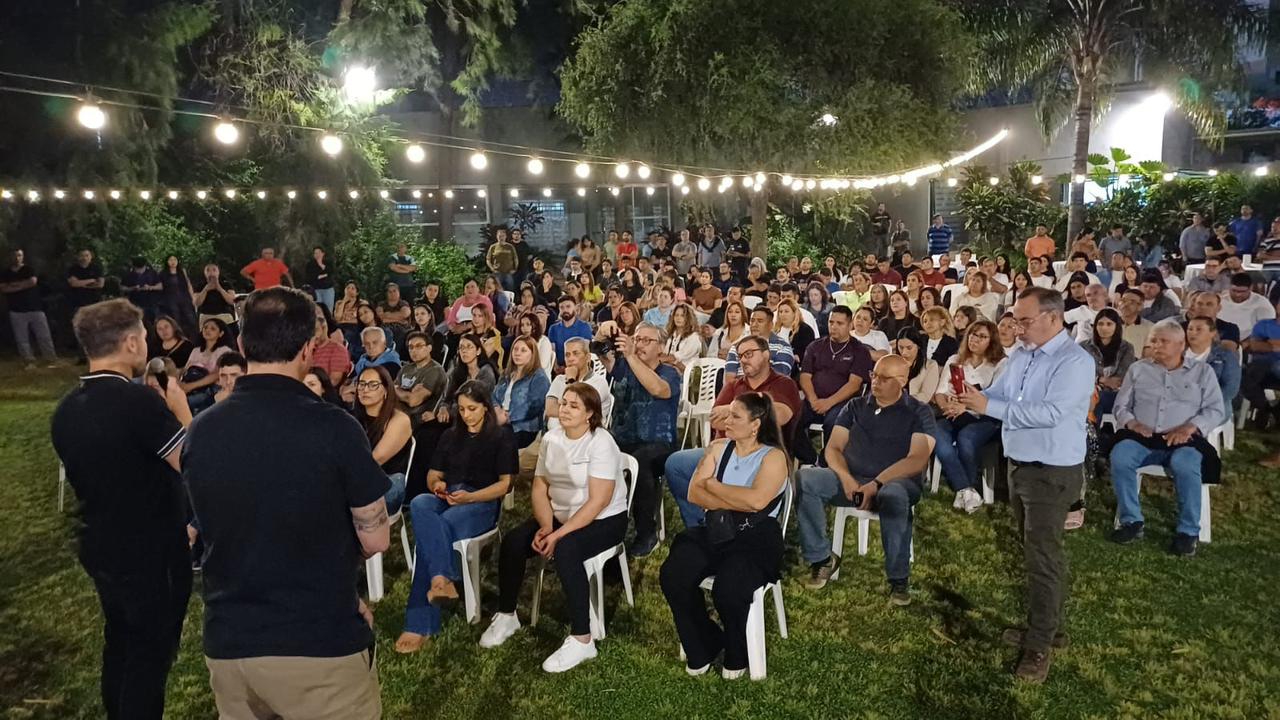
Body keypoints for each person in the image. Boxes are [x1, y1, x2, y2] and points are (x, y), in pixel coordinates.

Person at [182, 287, 390, 719]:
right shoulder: (336, 428)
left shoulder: (202, 430)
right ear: (309, 349)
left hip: (231, 642)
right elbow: (376, 538)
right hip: (318, 644)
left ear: (241, 345)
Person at [50, 298, 193, 719]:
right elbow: (193, 462)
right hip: (151, 550)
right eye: (145, 336)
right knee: (149, 657)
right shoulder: (137, 403)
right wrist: (181, 411)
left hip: (101, 544)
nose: (147, 344)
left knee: (121, 645)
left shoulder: (67, 409)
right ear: (131, 342)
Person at [951, 287, 1094, 683]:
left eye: (1025, 321)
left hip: (1051, 470)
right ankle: (1046, 626)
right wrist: (972, 399)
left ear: (1053, 318)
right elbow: (1002, 394)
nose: (1017, 328)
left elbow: (1050, 413)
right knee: (1038, 551)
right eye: (1015, 320)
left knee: (1042, 556)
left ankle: (1040, 644)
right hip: (1020, 465)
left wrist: (989, 407)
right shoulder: (1022, 355)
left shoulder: (1074, 362)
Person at [479, 383, 629, 673]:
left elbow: (598, 501)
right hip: (559, 515)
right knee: (514, 541)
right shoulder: (551, 439)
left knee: (567, 549)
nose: (565, 409)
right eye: (564, 403)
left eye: (574, 405)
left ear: (590, 414)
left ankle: (583, 638)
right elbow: (540, 488)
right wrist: (547, 525)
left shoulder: (601, 442)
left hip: (604, 519)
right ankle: (507, 614)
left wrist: (558, 534)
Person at [659, 393, 790, 679]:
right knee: (673, 575)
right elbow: (694, 493)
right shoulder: (718, 448)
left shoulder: (773, 457)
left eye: (735, 416)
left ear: (755, 424)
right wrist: (734, 497)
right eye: (728, 414)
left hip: (756, 536)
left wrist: (714, 487)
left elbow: (757, 502)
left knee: (729, 589)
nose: (726, 420)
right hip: (717, 529)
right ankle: (703, 643)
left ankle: (737, 650)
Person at [797, 354, 935, 602]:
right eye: (874, 375)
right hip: (852, 479)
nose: (875, 382)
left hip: (896, 483)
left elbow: (917, 459)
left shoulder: (919, 412)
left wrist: (876, 483)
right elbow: (833, 448)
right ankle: (821, 558)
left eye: (884, 378)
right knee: (806, 479)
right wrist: (846, 478)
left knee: (893, 496)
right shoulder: (856, 406)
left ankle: (898, 579)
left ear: (902, 381)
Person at [396, 381, 517, 653]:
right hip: (449, 495)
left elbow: (505, 485)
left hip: (481, 501)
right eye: (461, 409)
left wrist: (470, 498)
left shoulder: (501, 437)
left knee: (434, 534)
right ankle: (443, 580)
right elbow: (433, 474)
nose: (466, 415)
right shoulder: (451, 436)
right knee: (420, 503)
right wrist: (437, 486)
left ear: (485, 407)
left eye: (472, 409)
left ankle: (420, 622)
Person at [1110, 319, 1225, 557]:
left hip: (1184, 438)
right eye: (1153, 340)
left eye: (1164, 341)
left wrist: (1190, 428)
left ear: (1181, 345)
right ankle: (1132, 521)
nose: (1156, 346)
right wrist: (1133, 423)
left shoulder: (1202, 372)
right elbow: (1121, 406)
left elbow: (1215, 410)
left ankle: (1188, 531)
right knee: (1120, 456)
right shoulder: (1138, 369)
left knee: (1186, 464)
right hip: (1143, 436)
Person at [665, 335, 802, 529]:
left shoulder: (784, 384)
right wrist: (741, 417)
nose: (743, 360)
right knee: (676, 464)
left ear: (766, 355)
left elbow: (779, 416)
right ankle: (701, 523)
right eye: (740, 356)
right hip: (724, 451)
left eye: (749, 354)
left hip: (761, 454)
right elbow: (716, 420)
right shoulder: (734, 385)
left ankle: (722, 513)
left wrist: (730, 409)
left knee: (735, 487)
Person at [606, 323, 682, 557]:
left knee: (641, 461)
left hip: (658, 443)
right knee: (594, 449)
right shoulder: (624, 367)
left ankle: (647, 532)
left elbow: (658, 390)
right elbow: (601, 354)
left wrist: (630, 356)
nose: (639, 344)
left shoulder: (669, 373)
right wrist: (603, 333)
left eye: (647, 340)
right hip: (622, 437)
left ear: (661, 347)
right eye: (637, 339)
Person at [931, 320, 1007, 512]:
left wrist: (964, 406)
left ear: (992, 341)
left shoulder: (1000, 364)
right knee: (937, 434)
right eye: (973, 334)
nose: (975, 339)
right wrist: (948, 407)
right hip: (953, 413)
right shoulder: (955, 359)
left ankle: (966, 488)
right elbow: (940, 393)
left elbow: (996, 396)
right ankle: (966, 489)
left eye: (982, 336)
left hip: (984, 417)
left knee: (966, 438)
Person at [493, 335, 552, 449]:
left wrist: (509, 417)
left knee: (499, 443)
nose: (517, 353)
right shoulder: (506, 373)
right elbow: (494, 396)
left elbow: (535, 406)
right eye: (515, 349)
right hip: (500, 420)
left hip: (524, 428)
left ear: (532, 354)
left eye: (523, 350)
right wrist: (496, 410)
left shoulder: (539, 377)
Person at [1080, 308, 1135, 420]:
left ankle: (1093, 429)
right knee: (1094, 398)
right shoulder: (1083, 347)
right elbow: (1080, 374)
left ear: (1117, 326)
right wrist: (1100, 380)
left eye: (1109, 324)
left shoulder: (1126, 348)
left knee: (1098, 398)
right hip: (1089, 392)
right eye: (1100, 324)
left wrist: (1098, 381)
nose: (1104, 328)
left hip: (1117, 394)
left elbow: (1120, 378)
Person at [546, 337, 613, 430]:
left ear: (587, 358)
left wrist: (571, 381)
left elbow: (581, 410)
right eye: (567, 355)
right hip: (558, 434)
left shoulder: (599, 383)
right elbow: (550, 409)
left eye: (576, 353)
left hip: (588, 435)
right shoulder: (559, 380)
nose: (570, 359)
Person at [1185, 316, 1241, 420]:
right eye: (1190, 329)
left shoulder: (1225, 356)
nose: (1193, 333)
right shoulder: (1177, 353)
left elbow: (1230, 388)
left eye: (1199, 329)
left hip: (1212, 404)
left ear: (1213, 333)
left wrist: (1203, 402)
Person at [722, 306, 795, 380]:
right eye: (752, 321)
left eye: (760, 321)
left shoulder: (783, 348)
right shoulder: (737, 347)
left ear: (770, 325)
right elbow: (729, 380)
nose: (754, 325)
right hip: (740, 387)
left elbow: (778, 380)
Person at [396, 331, 447, 424]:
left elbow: (413, 401)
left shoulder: (435, 371)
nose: (414, 350)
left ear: (429, 348)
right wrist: (406, 392)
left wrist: (398, 390)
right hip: (397, 413)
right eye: (411, 347)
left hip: (416, 419)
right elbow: (390, 391)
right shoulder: (406, 368)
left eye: (419, 346)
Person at [1220, 273, 1276, 339]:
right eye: (1234, 291)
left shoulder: (1262, 304)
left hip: (1251, 341)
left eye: (1242, 291)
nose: (1238, 295)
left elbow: (1267, 330)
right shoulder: (1220, 301)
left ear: (1250, 288)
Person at [896, 327, 943, 404]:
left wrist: (901, 401)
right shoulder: (893, 362)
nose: (904, 352)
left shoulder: (930, 365)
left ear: (918, 346)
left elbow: (925, 396)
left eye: (909, 348)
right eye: (901, 347)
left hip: (915, 406)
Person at [548, 296, 594, 370]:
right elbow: (552, 353)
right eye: (562, 307)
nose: (565, 310)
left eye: (568, 306)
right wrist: (556, 367)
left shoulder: (584, 327)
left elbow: (584, 352)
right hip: (559, 369)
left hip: (579, 368)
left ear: (575, 308)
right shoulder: (553, 328)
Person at [194, 263, 238, 330]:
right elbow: (197, 303)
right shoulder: (200, 285)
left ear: (218, 272)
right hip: (206, 316)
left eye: (214, 270)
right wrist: (205, 290)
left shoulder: (226, 284)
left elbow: (232, 301)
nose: (211, 273)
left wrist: (219, 288)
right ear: (204, 273)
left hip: (224, 315)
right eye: (208, 270)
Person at [1118, 288, 1154, 357]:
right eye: (1123, 300)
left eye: (1132, 302)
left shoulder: (1150, 328)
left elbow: (1148, 355)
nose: (1125, 305)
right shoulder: (1110, 324)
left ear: (1140, 306)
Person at [305, 246, 335, 311]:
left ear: (323, 254)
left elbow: (331, 272)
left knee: (328, 310)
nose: (317, 255)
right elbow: (311, 277)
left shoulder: (328, 262)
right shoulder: (310, 264)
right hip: (316, 290)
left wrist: (321, 265)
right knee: (318, 310)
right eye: (315, 253)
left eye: (318, 253)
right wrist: (324, 275)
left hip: (328, 289)